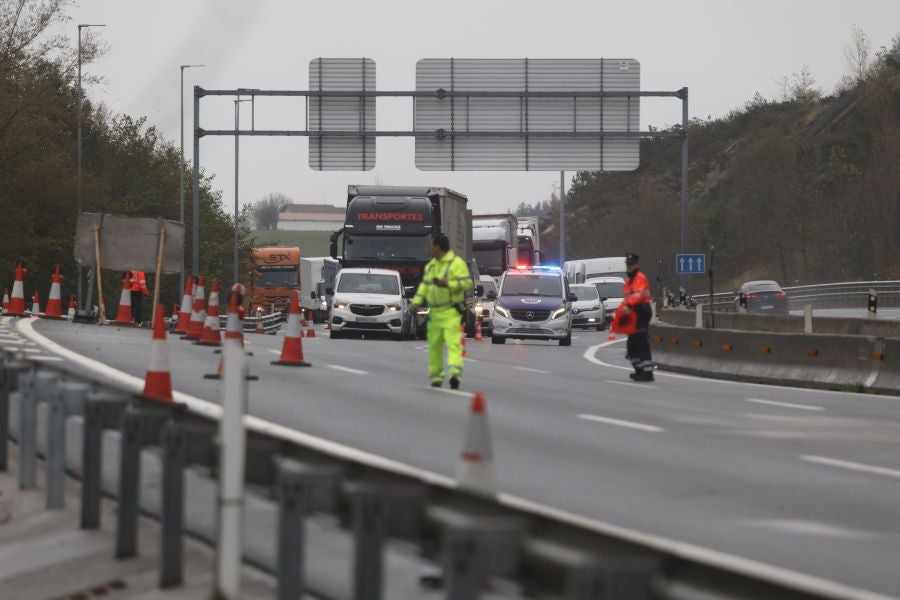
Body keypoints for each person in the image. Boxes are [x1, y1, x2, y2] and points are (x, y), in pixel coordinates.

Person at [410, 233, 473, 389]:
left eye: (431, 245)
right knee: (434, 346)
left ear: (438, 247)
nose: (429, 248)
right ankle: (436, 377)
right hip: (434, 314)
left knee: (453, 344)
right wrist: (415, 302)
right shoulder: (431, 266)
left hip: (451, 311)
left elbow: (466, 283)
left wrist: (448, 284)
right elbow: (424, 286)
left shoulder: (456, 263)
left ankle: (454, 375)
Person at [622, 253, 654, 381]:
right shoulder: (628, 280)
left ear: (636, 264)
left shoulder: (640, 278)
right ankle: (639, 370)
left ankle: (647, 372)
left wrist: (628, 306)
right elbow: (627, 298)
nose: (629, 266)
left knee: (641, 342)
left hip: (641, 311)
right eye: (627, 264)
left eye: (631, 264)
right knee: (632, 345)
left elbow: (639, 295)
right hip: (632, 314)